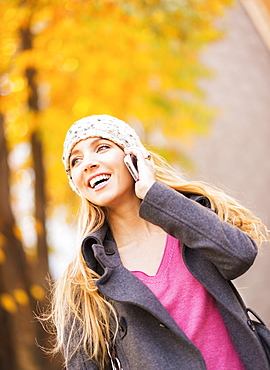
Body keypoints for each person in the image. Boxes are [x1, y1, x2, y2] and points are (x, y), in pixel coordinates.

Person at [47, 114, 269, 369]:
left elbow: (240, 256)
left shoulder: (189, 220)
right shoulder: (85, 278)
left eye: (102, 147)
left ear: (134, 157)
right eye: (76, 161)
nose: (88, 163)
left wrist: (154, 195)